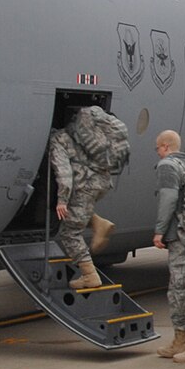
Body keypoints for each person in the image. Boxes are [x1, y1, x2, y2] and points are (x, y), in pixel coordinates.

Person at [47, 106, 122, 291]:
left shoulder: (59, 139)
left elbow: (64, 173)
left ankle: (90, 275)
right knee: (80, 211)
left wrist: (62, 200)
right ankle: (98, 223)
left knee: (70, 232)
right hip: (102, 184)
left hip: (84, 188)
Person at [151, 130, 185, 360]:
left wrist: (159, 231)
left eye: (157, 149)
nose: (157, 153)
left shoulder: (167, 166)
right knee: (177, 289)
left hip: (177, 235)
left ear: (165, 146)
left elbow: (168, 199)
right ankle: (180, 340)